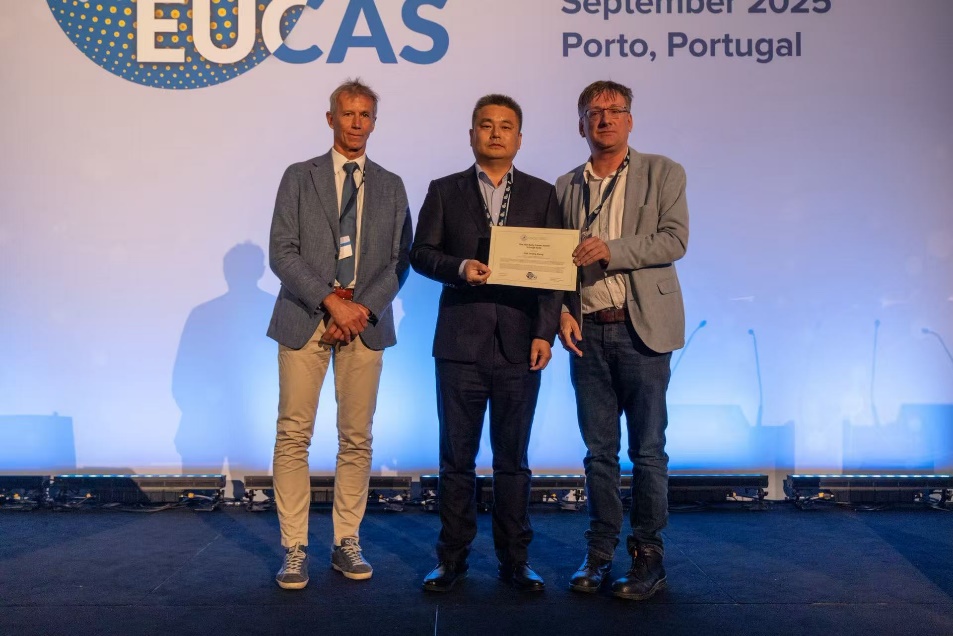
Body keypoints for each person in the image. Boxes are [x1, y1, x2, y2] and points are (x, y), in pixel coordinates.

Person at [411, 94, 561, 593]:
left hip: (520, 344)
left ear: (519, 137)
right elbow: (420, 253)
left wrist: (544, 332)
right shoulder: (444, 190)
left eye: (506, 126)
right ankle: (452, 560)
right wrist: (458, 268)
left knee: (513, 461)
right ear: (472, 134)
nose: (496, 133)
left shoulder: (542, 194)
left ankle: (515, 561)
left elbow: (555, 275)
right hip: (460, 344)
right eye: (486, 125)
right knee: (456, 461)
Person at [267, 78, 413, 590]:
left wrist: (360, 310)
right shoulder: (299, 176)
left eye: (364, 114)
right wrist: (331, 303)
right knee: (293, 434)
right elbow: (282, 251)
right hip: (305, 317)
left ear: (374, 121)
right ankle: (294, 547)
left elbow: (400, 261)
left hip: (364, 326)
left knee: (356, 437)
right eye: (347, 113)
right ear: (330, 118)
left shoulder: (391, 185)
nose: (356, 122)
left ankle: (346, 540)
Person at [556, 80, 689, 600]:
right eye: (595, 112)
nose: (605, 119)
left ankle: (648, 556)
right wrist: (560, 313)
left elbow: (674, 239)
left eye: (615, 111)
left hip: (643, 329)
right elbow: (557, 261)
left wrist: (612, 250)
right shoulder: (565, 185)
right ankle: (599, 553)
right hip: (587, 330)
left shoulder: (663, 172)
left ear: (630, 120)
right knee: (598, 453)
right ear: (581, 125)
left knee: (648, 451)